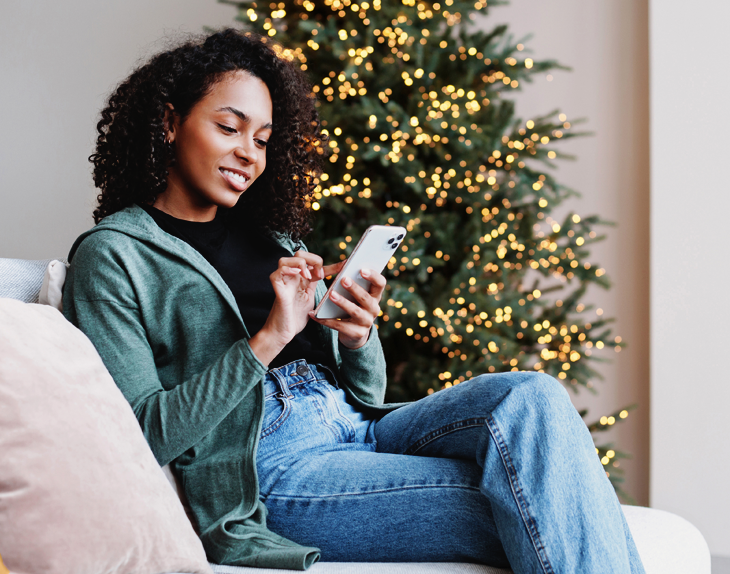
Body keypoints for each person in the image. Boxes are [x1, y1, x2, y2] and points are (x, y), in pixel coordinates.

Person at [63, 28, 645, 573]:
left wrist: (356, 336)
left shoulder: (273, 240)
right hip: (269, 466)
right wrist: (267, 340)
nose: (249, 154)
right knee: (540, 497)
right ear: (169, 122)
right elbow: (142, 434)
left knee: (531, 395)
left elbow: (366, 397)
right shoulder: (114, 255)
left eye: (263, 140)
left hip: (357, 428)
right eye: (229, 128)